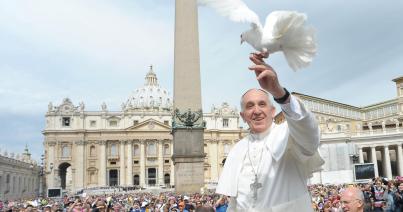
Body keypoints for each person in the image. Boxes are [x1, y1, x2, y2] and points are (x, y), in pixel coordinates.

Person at [215, 52, 323, 211]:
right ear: (243, 116)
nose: (257, 111)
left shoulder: (289, 134)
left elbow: (309, 133)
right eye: (250, 106)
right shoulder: (237, 149)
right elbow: (235, 204)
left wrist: (279, 93)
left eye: (262, 104)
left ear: (273, 111)